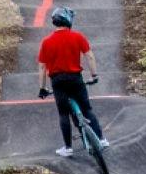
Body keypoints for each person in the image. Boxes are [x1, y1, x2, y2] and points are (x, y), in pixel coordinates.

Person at [36, 8, 103, 159]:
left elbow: (42, 66)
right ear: (68, 20)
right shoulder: (77, 36)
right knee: (87, 109)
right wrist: (94, 75)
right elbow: (89, 56)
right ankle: (102, 139)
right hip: (75, 78)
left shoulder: (46, 42)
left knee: (63, 114)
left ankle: (68, 148)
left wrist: (42, 88)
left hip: (58, 81)